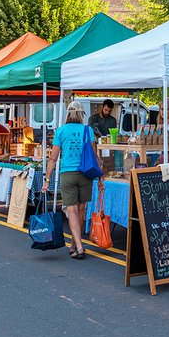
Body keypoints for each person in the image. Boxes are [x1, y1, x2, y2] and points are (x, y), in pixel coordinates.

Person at [42, 101, 104, 260]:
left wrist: (47, 179)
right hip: (86, 174)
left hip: (67, 174)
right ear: (82, 115)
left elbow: (53, 158)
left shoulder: (61, 131)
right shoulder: (87, 130)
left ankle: (79, 246)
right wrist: (100, 177)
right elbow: (95, 156)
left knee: (72, 211)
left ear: (68, 114)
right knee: (81, 210)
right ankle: (75, 244)